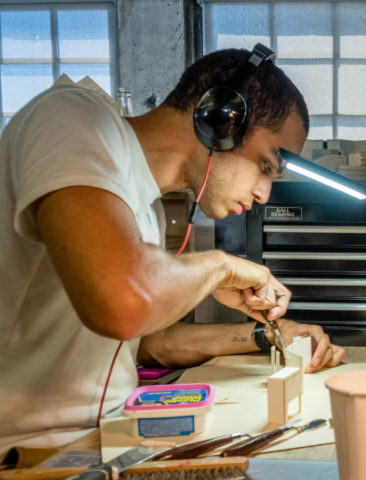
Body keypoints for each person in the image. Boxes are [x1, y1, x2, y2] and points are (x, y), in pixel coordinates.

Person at [0, 45, 345, 455]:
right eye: (266, 165)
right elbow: (123, 303)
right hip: (30, 455)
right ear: (220, 120)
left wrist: (268, 335)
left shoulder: (145, 208)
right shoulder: (71, 120)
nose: (263, 193)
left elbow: (152, 344)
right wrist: (218, 268)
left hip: (112, 440)